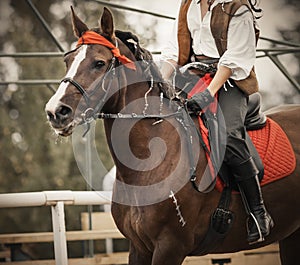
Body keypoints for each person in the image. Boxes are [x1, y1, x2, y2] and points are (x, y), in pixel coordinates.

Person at [160, 0, 273, 244]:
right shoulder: (188, 5)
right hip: (192, 75)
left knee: (229, 134)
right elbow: (173, 50)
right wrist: (160, 80)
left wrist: (208, 93)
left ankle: (258, 212)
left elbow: (235, 58)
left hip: (230, 82)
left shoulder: (237, 8)